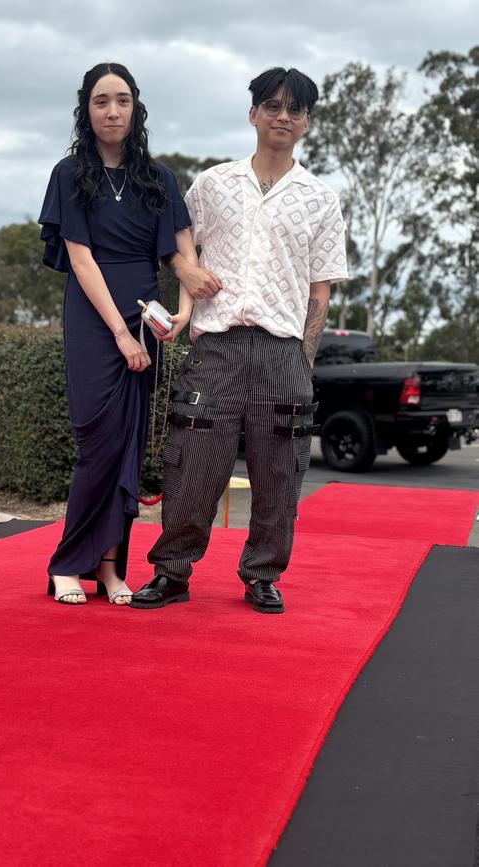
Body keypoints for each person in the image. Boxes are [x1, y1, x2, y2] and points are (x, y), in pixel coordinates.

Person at [131, 67, 348, 613]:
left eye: (295, 109)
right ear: (253, 113)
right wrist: (187, 272)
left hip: (282, 351)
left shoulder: (320, 199)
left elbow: (319, 288)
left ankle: (262, 574)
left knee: (280, 472)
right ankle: (172, 571)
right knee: (191, 462)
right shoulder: (213, 183)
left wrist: (303, 359)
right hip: (216, 346)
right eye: (272, 105)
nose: (283, 116)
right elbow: (180, 249)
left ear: (306, 122)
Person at [38, 62, 193, 605]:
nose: (112, 110)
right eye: (101, 100)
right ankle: (66, 565)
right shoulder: (69, 173)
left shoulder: (159, 177)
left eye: (122, 100)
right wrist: (122, 337)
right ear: (86, 108)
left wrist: (185, 312)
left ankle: (107, 568)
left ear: (136, 107)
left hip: (145, 314)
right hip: (93, 318)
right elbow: (80, 261)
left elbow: (182, 251)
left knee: (128, 446)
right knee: (96, 444)